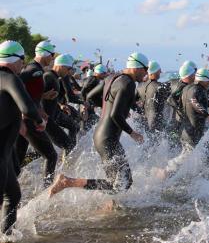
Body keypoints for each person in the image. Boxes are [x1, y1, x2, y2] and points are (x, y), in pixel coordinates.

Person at [49, 52, 147, 196]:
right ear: (137, 67)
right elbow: (115, 115)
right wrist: (132, 133)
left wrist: (107, 105)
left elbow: (90, 96)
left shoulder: (112, 77)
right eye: (145, 69)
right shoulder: (128, 83)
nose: (145, 73)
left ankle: (109, 204)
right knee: (124, 182)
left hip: (101, 135)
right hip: (108, 138)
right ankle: (67, 182)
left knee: (118, 182)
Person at [0, 40, 45, 235]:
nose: (23, 65)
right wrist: (39, 121)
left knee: (13, 194)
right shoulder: (10, 78)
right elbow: (27, 107)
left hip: (5, 151)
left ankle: (6, 237)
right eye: (22, 60)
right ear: (15, 60)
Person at [14, 40, 58, 186]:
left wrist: (41, 102)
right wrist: (28, 112)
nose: (52, 58)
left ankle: (7, 191)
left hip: (26, 118)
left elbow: (28, 92)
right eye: (52, 54)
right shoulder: (35, 70)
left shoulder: (35, 70)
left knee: (18, 160)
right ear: (45, 53)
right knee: (51, 156)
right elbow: (16, 85)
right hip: (29, 120)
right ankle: (47, 191)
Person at [43, 54, 78, 156]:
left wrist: (60, 105)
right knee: (51, 155)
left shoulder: (56, 78)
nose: (70, 71)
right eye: (69, 68)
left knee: (73, 126)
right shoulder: (48, 77)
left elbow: (52, 97)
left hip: (55, 113)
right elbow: (31, 95)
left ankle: (67, 162)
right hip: (46, 119)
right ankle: (66, 167)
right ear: (61, 66)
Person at [134, 60, 169, 138]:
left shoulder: (139, 86)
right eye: (159, 70)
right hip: (156, 121)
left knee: (148, 144)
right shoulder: (160, 87)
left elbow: (131, 102)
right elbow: (170, 100)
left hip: (144, 120)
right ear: (155, 72)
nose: (160, 72)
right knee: (157, 145)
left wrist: (139, 111)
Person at [180, 68, 209, 148]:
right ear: (204, 79)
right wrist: (207, 115)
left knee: (185, 158)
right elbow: (193, 101)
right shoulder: (198, 89)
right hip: (194, 132)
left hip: (186, 130)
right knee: (187, 157)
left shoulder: (187, 88)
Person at [166, 63, 196, 147]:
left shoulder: (187, 85)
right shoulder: (182, 86)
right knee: (176, 144)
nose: (194, 77)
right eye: (193, 75)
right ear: (188, 76)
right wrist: (180, 109)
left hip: (178, 120)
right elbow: (170, 99)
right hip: (177, 121)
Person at [80, 64, 108, 131]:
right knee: (83, 129)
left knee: (94, 124)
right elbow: (83, 91)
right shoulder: (92, 79)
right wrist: (84, 105)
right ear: (99, 73)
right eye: (104, 73)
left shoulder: (96, 80)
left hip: (89, 107)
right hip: (86, 107)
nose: (105, 75)